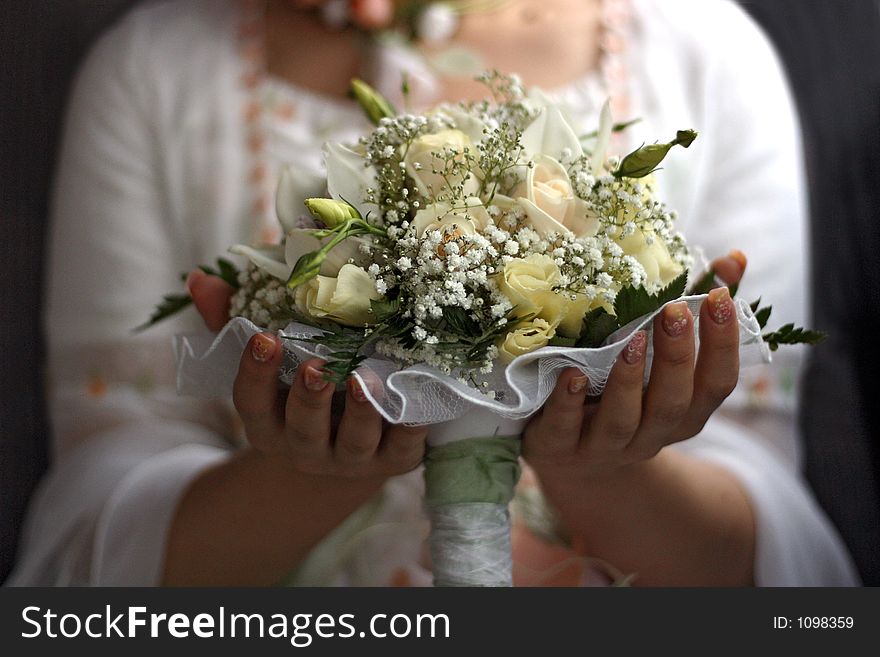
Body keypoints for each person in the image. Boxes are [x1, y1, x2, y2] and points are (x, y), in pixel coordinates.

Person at [7, 0, 858, 586]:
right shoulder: (156, 71)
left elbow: (767, 563)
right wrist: (313, 469)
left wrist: (602, 465)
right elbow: (89, 566)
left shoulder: (710, 59)